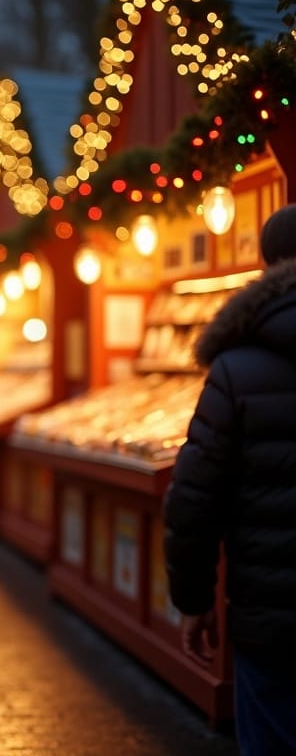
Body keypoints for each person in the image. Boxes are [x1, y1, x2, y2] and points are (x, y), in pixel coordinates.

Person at [164, 204, 296, 756]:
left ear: (266, 266)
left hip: (271, 616)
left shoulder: (235, 370)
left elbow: (194, 500)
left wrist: (194, 601)